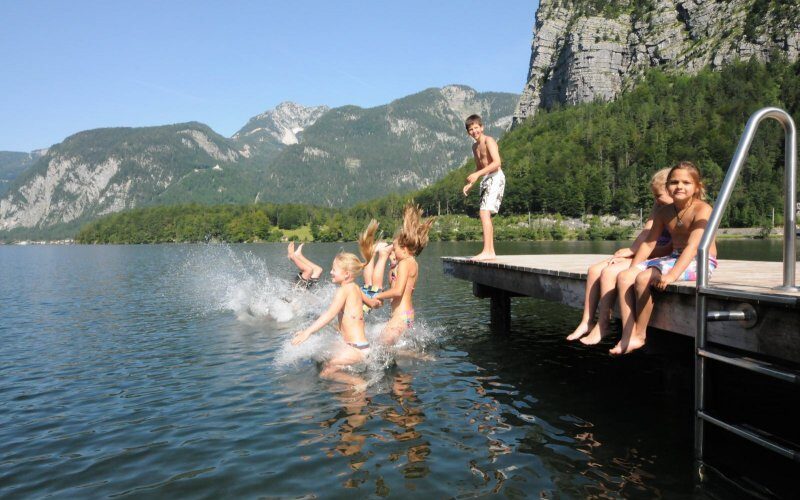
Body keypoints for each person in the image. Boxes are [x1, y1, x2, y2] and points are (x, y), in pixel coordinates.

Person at [611, 161, 717, 355]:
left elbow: (693, 247)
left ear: (697, 187)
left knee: (643, 279)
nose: (679, 186)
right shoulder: (664, 212)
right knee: (625, 277)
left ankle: (640, 335)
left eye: (686, 182)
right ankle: (627, 333)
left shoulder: (703, 210)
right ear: (667, 186)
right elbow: (649, 243)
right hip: (675, 257)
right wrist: (633, 267)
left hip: (700, 260)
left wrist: (672, 276)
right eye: (674, 182)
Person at [567, 168, 674, 345]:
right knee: (594, 270)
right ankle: (587, 321)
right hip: (646, 252)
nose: (656, 200)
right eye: (654, 196)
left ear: (672, 192)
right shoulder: (660, 206)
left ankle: (603, 324)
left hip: (660, 254)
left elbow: (669, 248)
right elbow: (646, 233)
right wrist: (632, 250)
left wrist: (637, 257)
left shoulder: (679, 211)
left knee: (609, 272)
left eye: (659, 196)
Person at [291, 240, 376, 390]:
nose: (330, 272)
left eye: (334, 269)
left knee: (326, 372)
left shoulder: (343, 290)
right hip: (360, 346)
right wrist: (377, 303)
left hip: (357, 349)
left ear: (346, 274)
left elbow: (330, 313)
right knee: (325, 361)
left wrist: (307, 332)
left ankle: (358, 383)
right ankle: (352, 387)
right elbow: (371, 303)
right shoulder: (355, 287)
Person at [363, 204, 434, 345]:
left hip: (401, 316)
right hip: (406, 315)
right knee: (390, 348)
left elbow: (398, 291)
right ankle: (418, 355)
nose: (393, 252)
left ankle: (422, 356)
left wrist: (377, 295)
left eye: (394, 249)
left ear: (404, 248)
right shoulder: (411, 262)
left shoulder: (405, 263)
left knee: (382, 346)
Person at [462, 114, 505, 261]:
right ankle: (490, 251)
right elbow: (480, 167)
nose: (474, 131)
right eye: (471, 129)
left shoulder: (489, 141)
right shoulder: (475, 147)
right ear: (468, 132)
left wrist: (477, 175)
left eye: (476, 128)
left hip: (496, 176)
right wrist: (470, 183)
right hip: (487, 178)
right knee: (484, 213)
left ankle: (488, 251)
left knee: (484, 212)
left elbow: (497, 162)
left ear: (482, 127)